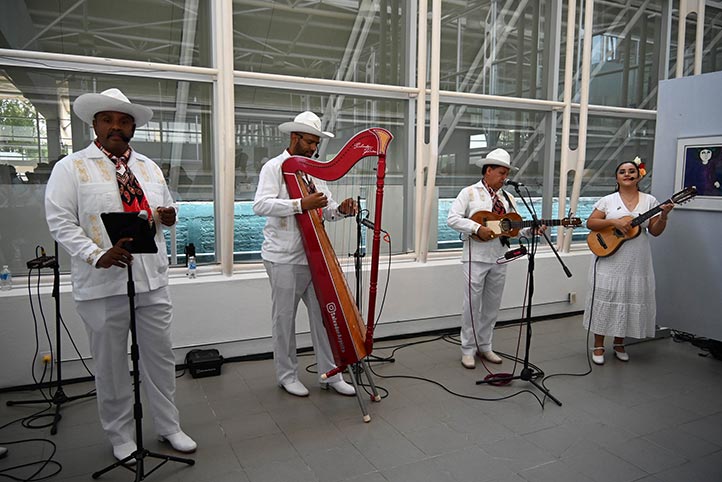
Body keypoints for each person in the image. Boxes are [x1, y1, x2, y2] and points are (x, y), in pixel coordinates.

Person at [45, 88, 196, 462]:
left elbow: (164, 205)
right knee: (111, 364)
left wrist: (169, 215)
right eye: (108, 119)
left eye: (124, 120)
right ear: (94, 123)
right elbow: (60, 221)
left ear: (132, 127)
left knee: (159, 358)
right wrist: (96, 254)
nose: (116, 126)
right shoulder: (71, 167)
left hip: (151, 279)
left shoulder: (148, 167)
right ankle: (120, 435)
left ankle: (168, 426)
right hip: (102, 283)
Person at [253, 111, 357, 397]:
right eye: (309, 142)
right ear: (294, 137)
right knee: (284, 319)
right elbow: (260, 205)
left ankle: (331, 373)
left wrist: (341, 211)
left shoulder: (314, 170)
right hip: (283, 256)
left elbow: (325, 208)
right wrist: (300, 204)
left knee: (326, 316)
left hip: (315, 255)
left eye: (316, 144)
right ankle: (286, 375)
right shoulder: (273, 167)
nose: (313, 149)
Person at [446, 148, 544, 369]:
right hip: (475, 256)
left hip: (500, 256)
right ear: (488, 170)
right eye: (501, 173)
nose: (504, 178)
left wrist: (530, 231)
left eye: (506, 174)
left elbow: (511, 229)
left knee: (492, 304)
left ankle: (485, 345)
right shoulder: (469, 193)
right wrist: (476, 227)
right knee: (471, 304)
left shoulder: (508, 198)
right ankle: (468, 349)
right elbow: (452, 219)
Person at [583, 157, 673, 365]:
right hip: (610, 257)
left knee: (627, 298)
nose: (627, 174)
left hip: (636, 258)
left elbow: (656, 231)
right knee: (606, 297)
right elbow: (591, 223)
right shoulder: (608, 200)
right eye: (622, 171)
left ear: (638, 175)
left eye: (631, 171)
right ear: (617, 177)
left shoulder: (650, 201)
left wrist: (664, 216)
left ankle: (619, 343)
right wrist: (614, 221)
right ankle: (598, 344)